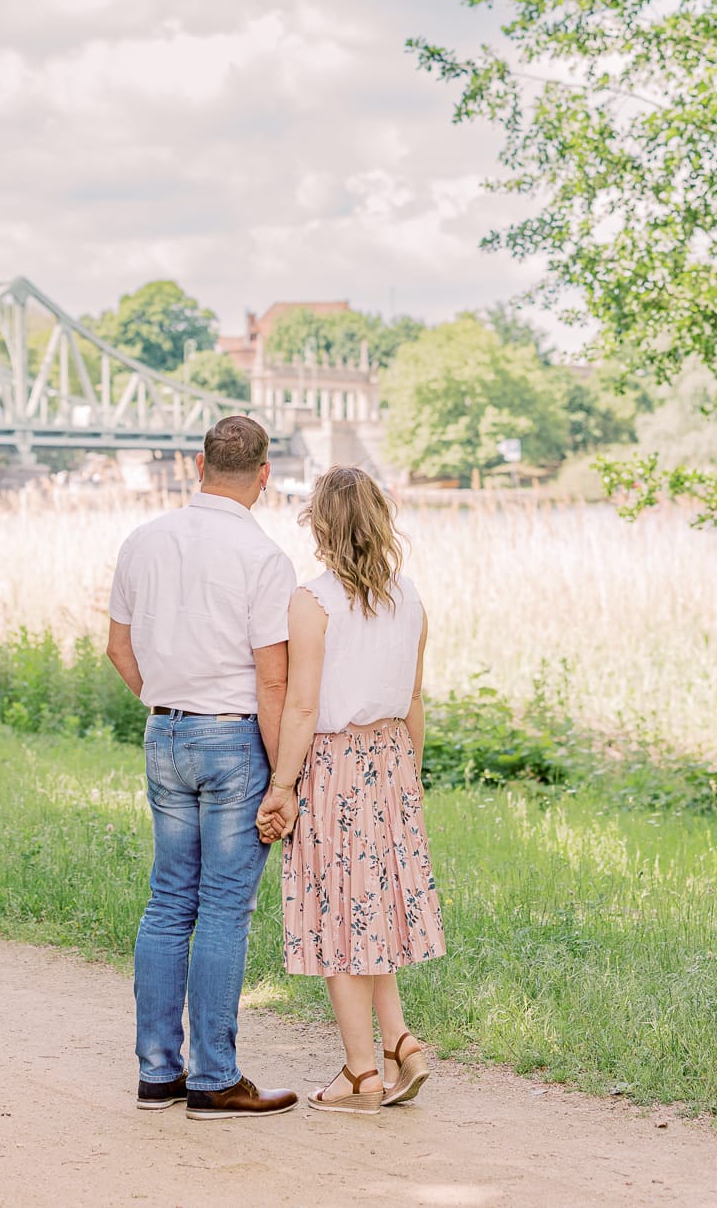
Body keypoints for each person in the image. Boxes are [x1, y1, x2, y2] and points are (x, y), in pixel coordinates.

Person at [106, 414, 299, 1120]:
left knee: (166, 902)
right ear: (264, 472)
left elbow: (119, 649)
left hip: (165, 733)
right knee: (223, 907)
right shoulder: (264, 556)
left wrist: (169, 705)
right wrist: (284, 781)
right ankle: (214, 1076)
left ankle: (159, 1072)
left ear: (197, 462)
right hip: (234, 739)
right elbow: (272, 680)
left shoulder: (143, 540)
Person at [256, 466, 445, 1115]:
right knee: (373, 915)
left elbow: (303, 706)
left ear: (321, 525)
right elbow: (416, 699)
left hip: (335, 764)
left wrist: (283, 783)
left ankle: (362, 1073)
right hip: (392, 757)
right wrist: (409, 778)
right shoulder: (410, 598)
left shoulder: (314, 602)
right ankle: (401, 1042)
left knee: (341, 917)